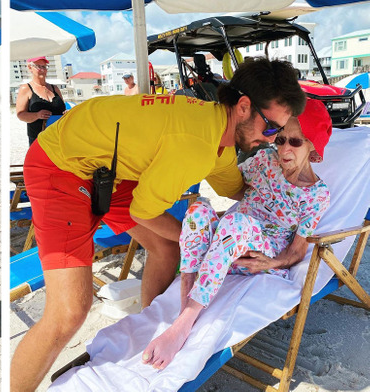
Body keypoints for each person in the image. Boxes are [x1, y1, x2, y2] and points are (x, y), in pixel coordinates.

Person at [10, 58, 307, 392]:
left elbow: (239, 189)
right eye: (270, 129)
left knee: (166, 248)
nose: (271, 141)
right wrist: (203, 240)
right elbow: (144, 212)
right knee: (69, 312)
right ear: (243, 106)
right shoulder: (195, 144)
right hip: (59, 164)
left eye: (279, 134)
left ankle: (150, 329)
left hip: (106, 166)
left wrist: (292, 191)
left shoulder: (219, 139)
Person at [142, 99, 332, 369]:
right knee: (197, 211)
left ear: (312, 145)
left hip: (257, 252)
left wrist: (272, 262)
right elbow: (228, 178)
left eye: (296, 142)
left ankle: (183, 324)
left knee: (235, 224)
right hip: (226, 244)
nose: (284, 149)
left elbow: (298, 250)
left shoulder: (316, 194)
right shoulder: (265, 161)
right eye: (280, 140)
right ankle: (187, 298)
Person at [16, 56, 66, 145]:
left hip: (59, 137)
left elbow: (62, 110)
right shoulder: (26, 88)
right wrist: (37, 115)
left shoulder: (55, 88)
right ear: (30, 67)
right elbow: (20, 115)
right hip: (38, 139)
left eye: (44, 66)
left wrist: (66, 113)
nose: (42, 69)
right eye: (38, 66)